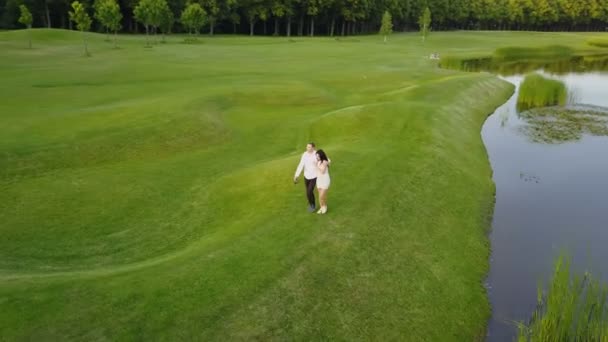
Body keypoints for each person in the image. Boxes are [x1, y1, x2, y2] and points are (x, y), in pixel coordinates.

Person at [294, 142, 318, 212]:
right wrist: (296, 175)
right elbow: (301, 165)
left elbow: (325, 159)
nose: (307, 148)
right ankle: (311, 202)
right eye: (307, 147)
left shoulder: (316, 154)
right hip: (306, 176)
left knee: (309, 191)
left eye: (309, 147)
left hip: (314, 176)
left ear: (313, 148)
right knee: (308, 192)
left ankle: (313, 206)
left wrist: (328, 162)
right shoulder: (304, 154)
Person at [315, 149, 331, 214]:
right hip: (319, 179)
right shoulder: (319, 161)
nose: (317, 157)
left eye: (318, 156)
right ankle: (322, 207)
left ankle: (325, 206)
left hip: (325, 179)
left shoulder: (324, 161)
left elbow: (323, 171)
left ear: (321, 156)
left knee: (322, 195)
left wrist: (317, 166)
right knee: (320, 195)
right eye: (316, 156)